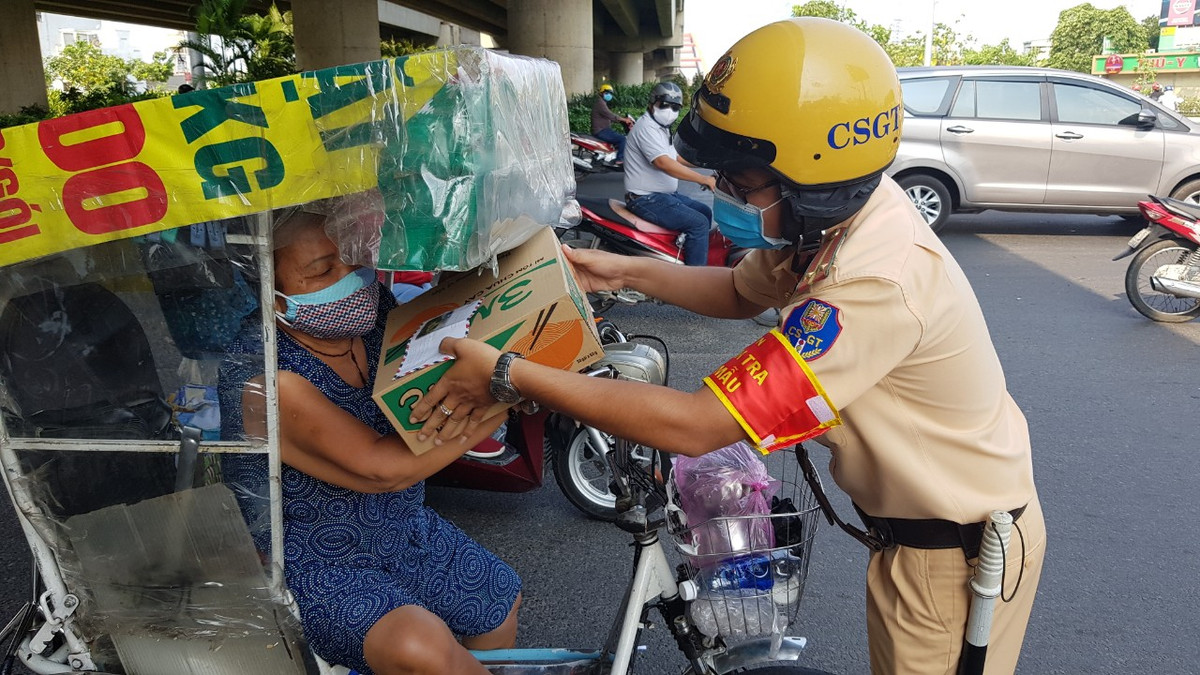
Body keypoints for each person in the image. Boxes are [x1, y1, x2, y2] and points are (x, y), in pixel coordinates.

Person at [412, 18, 1045, 675]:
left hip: (956, 553)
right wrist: (624, 269)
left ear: (814, 176)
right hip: (914, 538)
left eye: (743, 182)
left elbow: (697, 426)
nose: (724, 195)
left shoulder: (872, 280)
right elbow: (740, 291)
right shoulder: (830, 220)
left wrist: (511, 372)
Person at [218, 206, 521, 675]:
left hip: (401, 529)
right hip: (316, 561)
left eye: (353, 259)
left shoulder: (374, 310)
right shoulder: (267, 381)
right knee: (420, 647)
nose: (350, 279)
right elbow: (384, 469)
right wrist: (509, 392)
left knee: (498, 599)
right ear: (271, 296)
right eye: (322, 271)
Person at [622, 81, 719, 266]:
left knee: (705, 212)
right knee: (698, 223)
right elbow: (663, 163)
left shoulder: (661, 128)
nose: (669, 110)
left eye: (675, 107)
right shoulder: (646, 128)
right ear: (652, 103)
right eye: (664, 104)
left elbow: (675, 159)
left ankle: (684, 256)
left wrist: (710, 164)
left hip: (663, 196)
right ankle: (694, 280)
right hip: (646, 199)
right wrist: (703, 179)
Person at [591, 83, 634, 162]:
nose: (609, 95)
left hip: (604, 130)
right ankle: (620, 159)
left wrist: (622, 119)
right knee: (622, 139)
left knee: (619, 137)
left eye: (610, 93)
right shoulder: (600, 104)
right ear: (601, 93)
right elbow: (610, 115)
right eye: (607, 93)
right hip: (601, 131)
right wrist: (624, 120)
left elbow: (609, 117)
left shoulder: (602, 103)